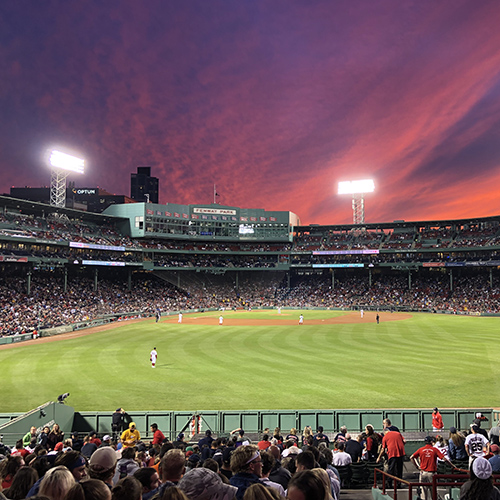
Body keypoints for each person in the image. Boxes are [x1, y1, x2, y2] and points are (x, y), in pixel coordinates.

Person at [410, 436, 453, 500]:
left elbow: (411, 457)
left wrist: (417, 467)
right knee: (433, 493)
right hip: (432, 474)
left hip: (423, 472)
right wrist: (452, 465)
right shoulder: (434, 450)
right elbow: (445, 459)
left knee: (423, 494)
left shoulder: (421, 449)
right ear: (431, 442)